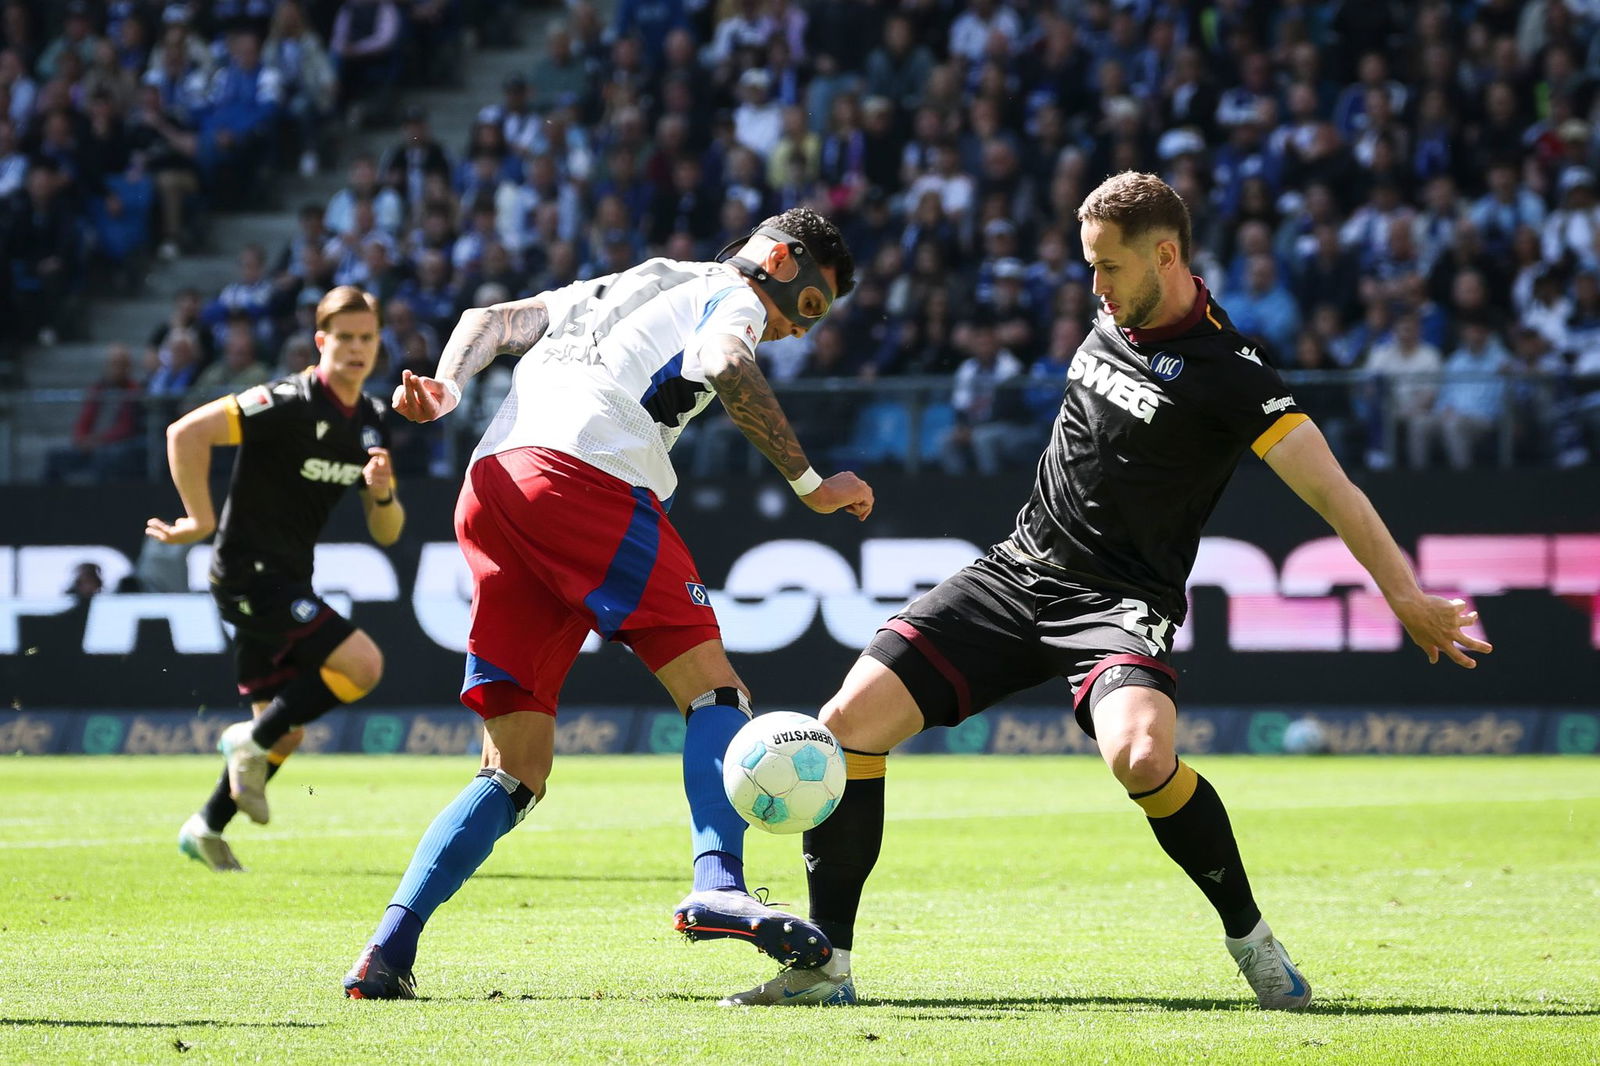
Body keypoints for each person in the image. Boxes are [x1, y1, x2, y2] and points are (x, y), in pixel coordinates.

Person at [726, 173, 1492, 1011]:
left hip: (1119, 604)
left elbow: (1336, 493)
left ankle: (1253, 943)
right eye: (1089, 266)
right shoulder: (1112, 315)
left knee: (1142, 758)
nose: (1095, 286)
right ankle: (825, 968)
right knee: (846, 725)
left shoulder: (1234, 373)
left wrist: (1407, 598)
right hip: (1015, 572)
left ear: (1165, 256)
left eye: (1108, 267)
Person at [341, 207, 874, 1000]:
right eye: (808, 306)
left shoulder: (631, 281)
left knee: (514, 769)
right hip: (586, 476)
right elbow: (728, 362)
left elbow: (492, 319)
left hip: (493, 485)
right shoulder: (732, 294)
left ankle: (386, 954)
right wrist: (811, 484)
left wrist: (449, 387)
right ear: (779, 260)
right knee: (716, 693)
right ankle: (719, 884)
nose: (798, 329)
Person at [148, 286, 405, 872]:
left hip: (289, 577)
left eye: (367, 338)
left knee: (283, 732)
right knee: (363, 665)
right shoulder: (286, 400)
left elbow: (387, 532)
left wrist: (383, 493)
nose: (357, 349)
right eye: (345, 338)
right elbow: (185, 434)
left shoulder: (371, 422)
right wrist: (199, 519)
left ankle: (205, 826)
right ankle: (248, 741)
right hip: (247, 573)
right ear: (321, 342)